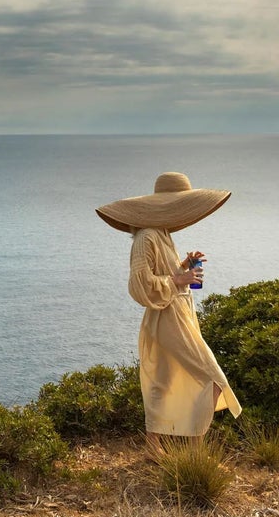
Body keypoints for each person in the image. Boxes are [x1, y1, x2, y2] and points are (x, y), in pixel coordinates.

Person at [96, 172, 241, 450]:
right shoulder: (146, 237)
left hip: (177, 314)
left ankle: (154, 447)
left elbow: (164, 276)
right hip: (167, 318)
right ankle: (196, 451)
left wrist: (184, 266)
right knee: (212, 378)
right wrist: (178, 280)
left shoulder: (161, 233)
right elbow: (139, 283)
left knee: (163, 379)